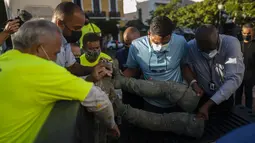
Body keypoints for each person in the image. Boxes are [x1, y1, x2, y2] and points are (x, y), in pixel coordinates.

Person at [0, 19, 119, 143]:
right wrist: (111, 125)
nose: (56, 58)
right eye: (55, 53)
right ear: (39, 49)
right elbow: (99, 100)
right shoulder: (45, 69)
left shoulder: (3, 59)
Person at [124, 16, 189, 113]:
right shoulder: (136, 46)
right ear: (149, 34)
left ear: (171, 35)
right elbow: (132, 70)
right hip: (151, 102)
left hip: (177, 101)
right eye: (156, 42)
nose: (161, 46)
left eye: (166, 43)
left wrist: (193, 83)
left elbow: (184, 66)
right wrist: (116, 78)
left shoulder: (180, 42)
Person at [183, 24, 244, 120]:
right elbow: (185, 66)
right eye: (204, 50)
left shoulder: (231, 44)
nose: (208, 54)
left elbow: (234, 79)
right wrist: (194, 84)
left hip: (224, 96)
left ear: (218, 37)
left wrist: (208, 105)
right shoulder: (191, 46)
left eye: (211, 49)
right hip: (202, 96)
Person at [52, 2, 110, 80]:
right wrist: (90, 78)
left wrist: (95, 68)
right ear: (60, 23)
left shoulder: (65, 41)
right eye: (76, 28)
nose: (79, 32)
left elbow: (72, 67)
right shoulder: (45, 43)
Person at [235, 23, 255, 109]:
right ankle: (237, 112)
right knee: (237, 95)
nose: (247, 35)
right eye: (245, 33)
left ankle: (248, 113)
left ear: (253, 33)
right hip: (238, 74)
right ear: (242, 32)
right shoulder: (237, 44)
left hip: (250, 75)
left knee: (248, 95)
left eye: (249, 33)